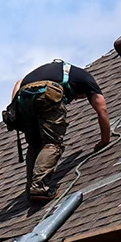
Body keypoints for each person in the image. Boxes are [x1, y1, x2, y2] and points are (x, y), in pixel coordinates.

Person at [11, 60, 110, 201]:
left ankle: (31, 189)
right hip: (45, 92)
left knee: (35, 145)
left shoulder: (55, 71)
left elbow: (19, 82)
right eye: (79, 96)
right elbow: (102, 109)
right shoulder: (87, 78)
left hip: (23, 98)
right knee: (52, 143)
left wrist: (14, 107)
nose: (75, 99)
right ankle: (38, 187)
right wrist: (105, 140)